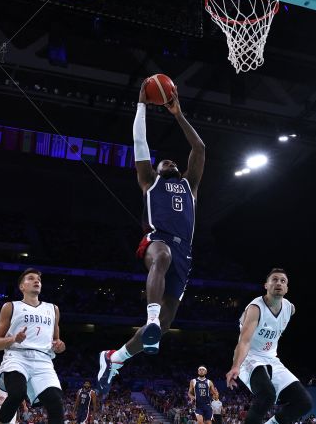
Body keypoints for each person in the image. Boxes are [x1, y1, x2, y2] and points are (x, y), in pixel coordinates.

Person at [97, 83, 205, 396]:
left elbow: (199, 150)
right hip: (157, 242)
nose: (169, 161)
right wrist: (142, 106)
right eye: (164, 161)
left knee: (164, 327)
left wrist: (179, 114)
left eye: (173, 161)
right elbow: (139, 141)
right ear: (155, 169)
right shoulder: (148, 182)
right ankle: (152, 317)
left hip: (185, 253)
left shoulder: (190, 187)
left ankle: (113, 359)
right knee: (163, 257)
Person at [225, 269, 312, 424]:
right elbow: (244, 341)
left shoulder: (290, 308)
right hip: (249, 356)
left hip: (271, 358)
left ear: (287, 288)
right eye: (275, 279)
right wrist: (235, 366)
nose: (279, 283)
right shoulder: (255, 308)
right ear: (266, 285)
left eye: (283, 281)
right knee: (267, 395)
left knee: (304, 402)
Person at [0, 268, 66, 424]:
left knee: (56, 402)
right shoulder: (10, 307)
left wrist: (60, 346)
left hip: (43, 360)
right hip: (17, 357)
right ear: (22, 287)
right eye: (31, 278)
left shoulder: (53, 309)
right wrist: (14, 339)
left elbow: (57, 342)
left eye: (38, 279)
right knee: (17, 393)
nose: (36, 281)